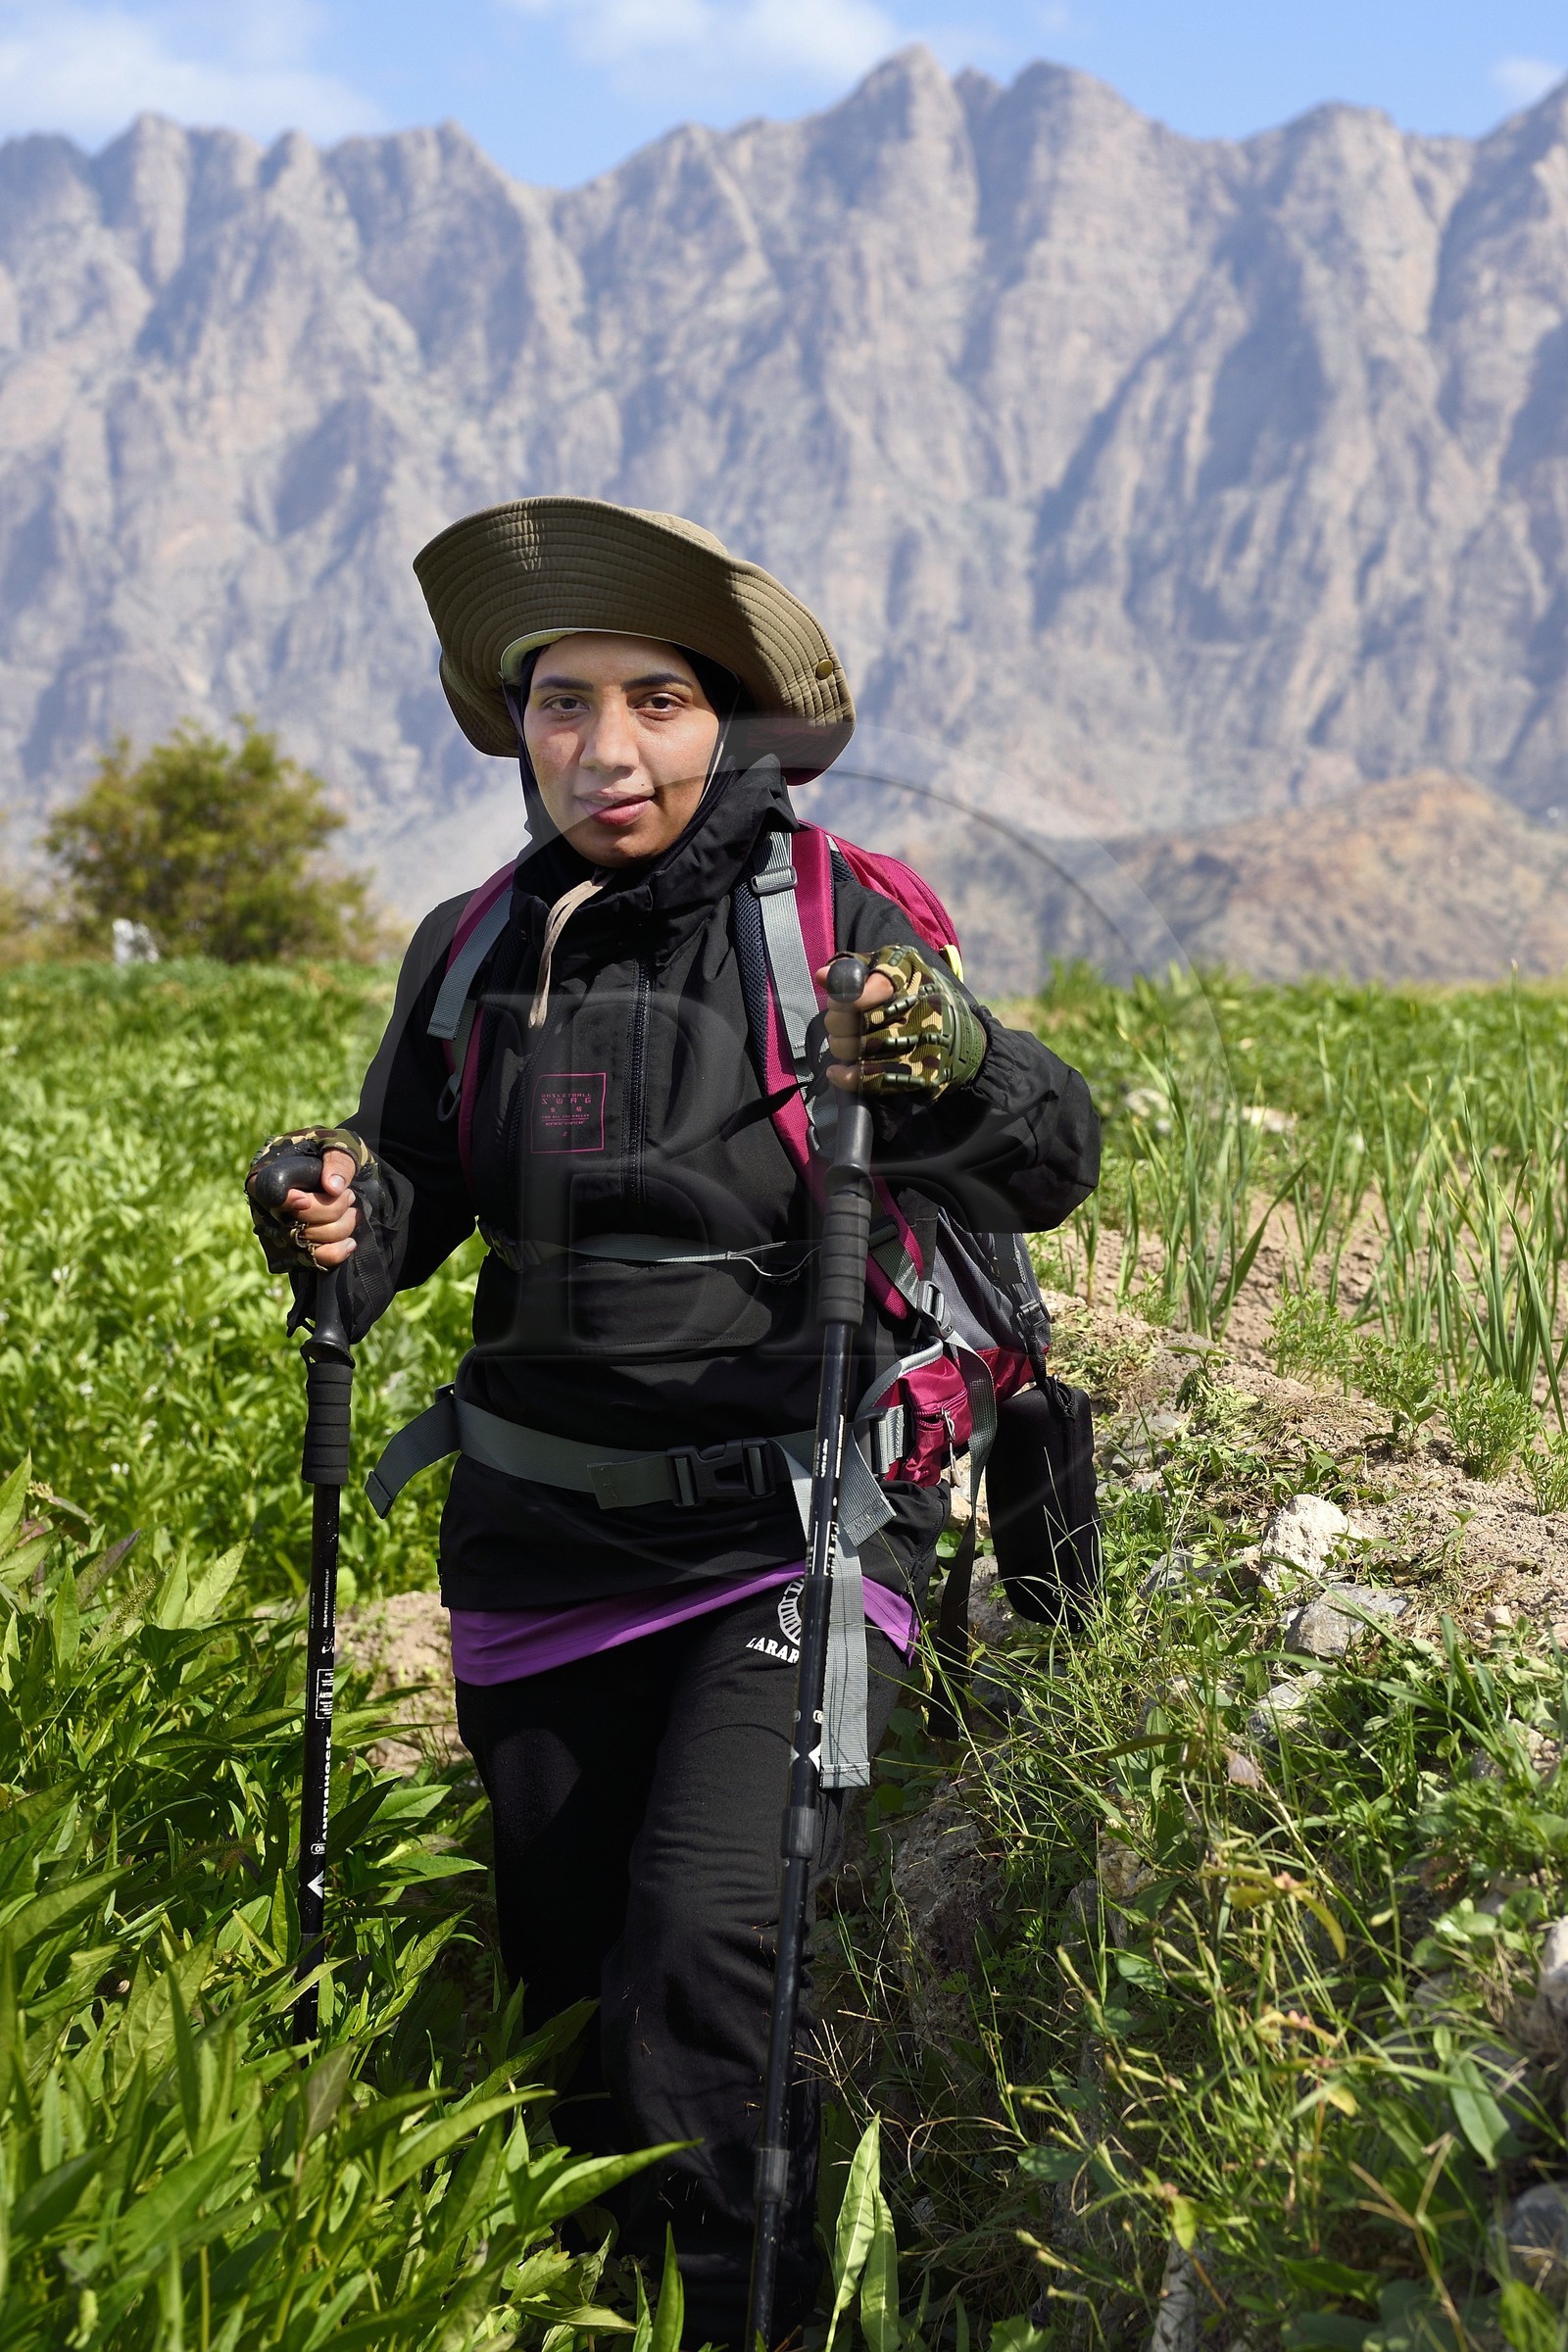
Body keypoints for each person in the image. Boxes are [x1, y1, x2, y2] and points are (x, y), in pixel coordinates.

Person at [247, 497, 1099, 2347]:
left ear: (730, 722)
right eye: (562, 703)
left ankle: (749, 2318)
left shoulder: (837, 920)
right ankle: (591, 2303)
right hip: (538, 1540)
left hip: (783, 1533)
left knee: (709, 1949)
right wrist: (328, 1209)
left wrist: (958, 1062)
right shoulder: (473, 945)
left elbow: (1052, 1159)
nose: (605, 747)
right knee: (565, 1975)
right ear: (519, 722)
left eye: (652, 700)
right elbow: (405, 1196)